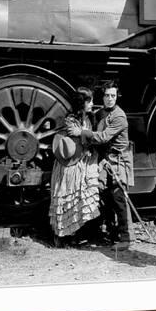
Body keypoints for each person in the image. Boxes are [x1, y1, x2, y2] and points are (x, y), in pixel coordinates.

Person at [67, 81, 134, 250]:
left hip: (119, 162)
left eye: (112, 95)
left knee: (119, 199)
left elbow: (103, 137)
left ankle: (126, 238)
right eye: (106, 95)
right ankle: (111, 235)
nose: (109, 99)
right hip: (106, 160)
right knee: (106, 198)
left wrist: (81, 132)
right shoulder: (101, 112)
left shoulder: (119, 116)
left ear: (116, 96)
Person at [49, 87, 101, 243]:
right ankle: (63, 235)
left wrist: (86, 135)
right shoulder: (71, 120)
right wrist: (88, 136)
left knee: (80, 198)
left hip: (83, 162)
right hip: (71, 164)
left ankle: (77, 233)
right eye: (89, 101)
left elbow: (85, 137)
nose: (92, 104)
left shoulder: (88, 118)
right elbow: (80, 137)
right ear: (81, 103)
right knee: (68, 198)